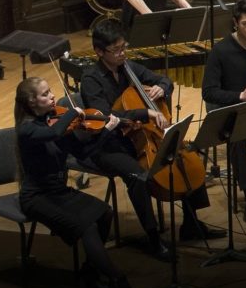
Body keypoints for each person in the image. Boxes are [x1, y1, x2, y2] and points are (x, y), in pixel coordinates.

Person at [81, 20, 225, 256]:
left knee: (186, 154)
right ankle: (153, 237)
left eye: (123, 48)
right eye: (116, 50)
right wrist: (144, 112)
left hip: (140, 138)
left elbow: (163, 79)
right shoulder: (91, 79)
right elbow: (105, 115)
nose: (122, 54)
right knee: (138, 177)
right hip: (108, 145)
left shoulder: (128, 67)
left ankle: (191, 224)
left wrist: (162, 87)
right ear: (99, 51)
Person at [14, 77, 141, 288]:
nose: (52, 96)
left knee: (105, 213)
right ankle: (117, 280)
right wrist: (74, 112)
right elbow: (51, 136)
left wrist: (106, 132)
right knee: (87, 227)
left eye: (50, 91)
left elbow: (83, 153)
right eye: (45, 94)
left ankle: (89, 272)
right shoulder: (28, 130)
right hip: (37, 196)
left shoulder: (55, 121)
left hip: (58, 192)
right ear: (32, 101)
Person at [202, 0, 246, 223]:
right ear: (235, 23)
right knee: (237, 138)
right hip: (235, 110)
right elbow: (208, 92)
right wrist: (239, 95)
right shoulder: (221, 51)